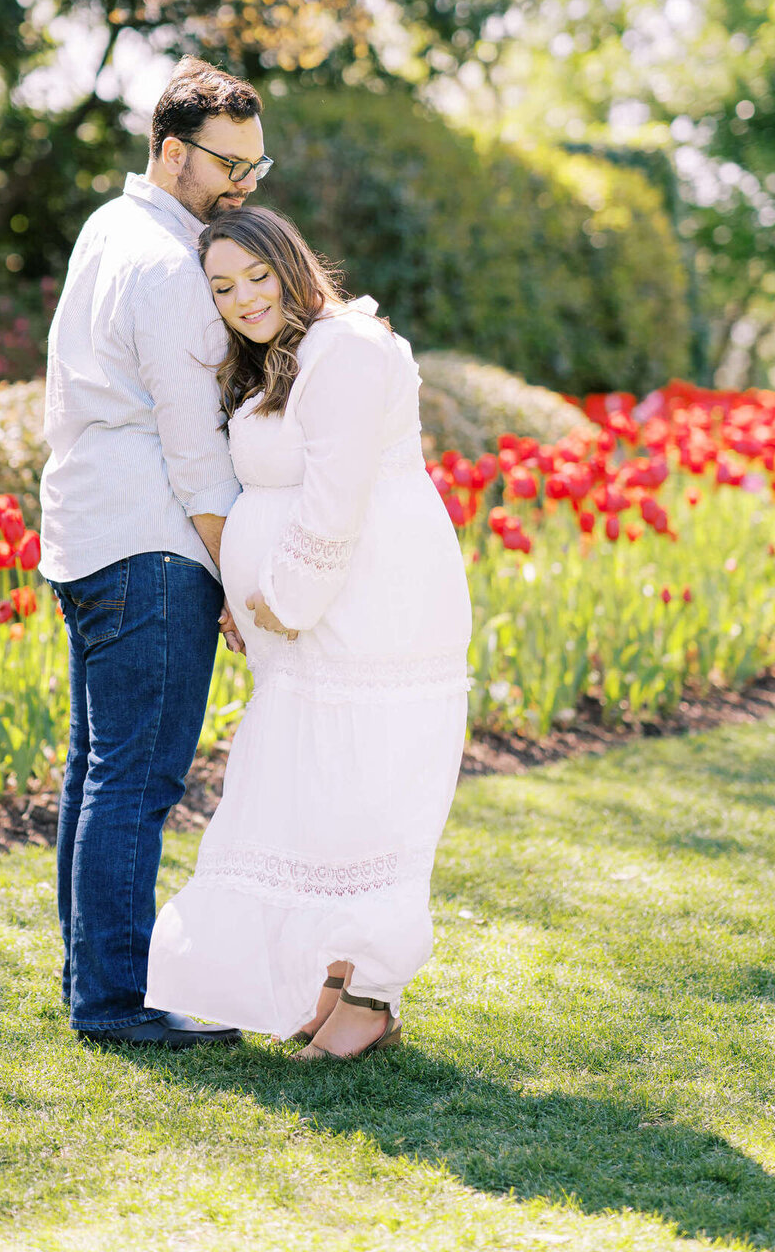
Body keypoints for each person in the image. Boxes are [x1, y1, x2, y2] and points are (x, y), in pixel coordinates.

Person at [146, 206, 471, 1060]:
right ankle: (336, 977)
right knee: (319, 792)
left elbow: (337, 498)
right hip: (308, 628)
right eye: (223, 288)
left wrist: (282, 599)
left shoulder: (346, 348)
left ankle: (371, 992)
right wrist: (250, 592)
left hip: (370, 609)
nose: (244, 298)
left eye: (257, 276)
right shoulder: (281, 361)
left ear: (293, 265)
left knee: (372, 792)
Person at [40, 57, 275, 1047]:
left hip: (86, 536)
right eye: (229, 166)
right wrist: (241, 577)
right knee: (134, 782)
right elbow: (194, 455)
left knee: (98, 769)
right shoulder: (178, 264)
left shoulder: (108, 225)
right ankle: (113, 1002)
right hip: (154, 545)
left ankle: (92, 986)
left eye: (257, 170)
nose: (243, 189)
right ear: (172, 150)